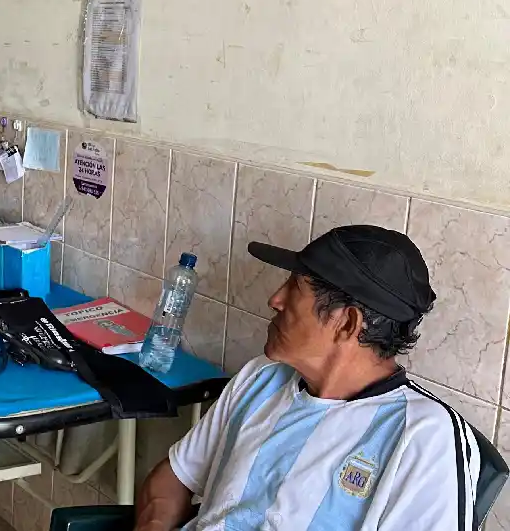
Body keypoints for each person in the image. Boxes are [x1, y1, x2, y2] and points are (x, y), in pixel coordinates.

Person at [133, 225, 484, 531]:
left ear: (347, 323)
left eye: (294, 289)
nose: (274, 299)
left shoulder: (422, 435)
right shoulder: (260, 378)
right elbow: (174, 478)